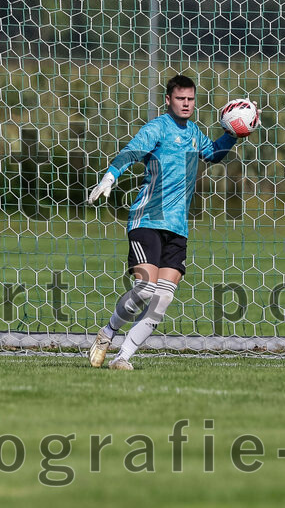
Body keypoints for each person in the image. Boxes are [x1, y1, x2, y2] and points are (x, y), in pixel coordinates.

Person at [85, 74, 250, 370]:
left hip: (177, 227)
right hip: (147, 219)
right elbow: (132, 151)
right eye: (180, 99)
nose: (186, 104)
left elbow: (212, 154)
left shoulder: (194, 132)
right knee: (145, 288)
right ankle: (108, 332)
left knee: (161, 301)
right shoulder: (157, 128)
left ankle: (123, 358)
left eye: (190, 99)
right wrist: (110, 176)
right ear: (169, 100)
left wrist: (234, 133)